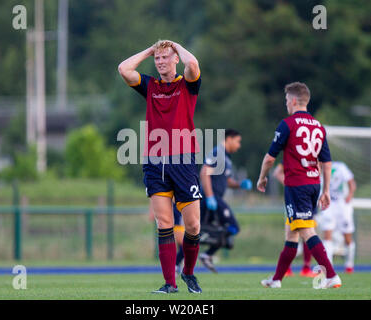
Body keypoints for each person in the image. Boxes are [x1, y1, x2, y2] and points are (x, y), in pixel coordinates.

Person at [119, 40, 202, 294]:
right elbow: (124, 68)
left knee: (193, 226)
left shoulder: (186, 84)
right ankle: (170, 283)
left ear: (175, 58)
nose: (161, 62)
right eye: (158, 59)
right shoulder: (151, 86)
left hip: (183, 160)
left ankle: (188, 271)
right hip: (154, 160)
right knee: (163, 223)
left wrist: (175, 45)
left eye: (166, 57)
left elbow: (194, 64)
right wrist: (149, 50)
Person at [257, 82, 341, 289]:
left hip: (297, 185)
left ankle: (331, 274)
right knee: (292, 234)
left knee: (306, 231)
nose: (286, 104)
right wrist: (327, 190)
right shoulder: (319, 126)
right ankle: (276, 280)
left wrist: (262, 178)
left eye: (287, 100)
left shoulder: (287, 124)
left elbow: (269, 159)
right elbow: (326, 162)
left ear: (294, 101)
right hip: (313, 185)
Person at [199, 129, 252, 273]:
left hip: (215, 198)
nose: (239, 145)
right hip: (210, 198)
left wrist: (239, 184)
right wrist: (209, 196)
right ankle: (202, 255)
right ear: (229, 139)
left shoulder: (227, 158)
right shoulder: (218, 153)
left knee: (202, 233)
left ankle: (204, 255)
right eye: (238, 141)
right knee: (233, 227)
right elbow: (205, 172)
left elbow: (226, 181)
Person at [273, 163, 317, 277]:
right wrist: (291, 185)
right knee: (296, 234)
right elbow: (277, 172)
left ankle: (304, 268)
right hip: (295, 198)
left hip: (308, 197)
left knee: (304, 234)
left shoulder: (313, 155)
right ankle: (289, 268)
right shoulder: (295, 156)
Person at [316, 161, 356, 273]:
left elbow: (351, 183)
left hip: (342, 206)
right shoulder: (316, 170)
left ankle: (349, 264)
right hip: (328, 206)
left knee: (347, 237)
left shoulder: (340, 167)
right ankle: (329, 267)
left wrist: (349, 195)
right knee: (327, 235)